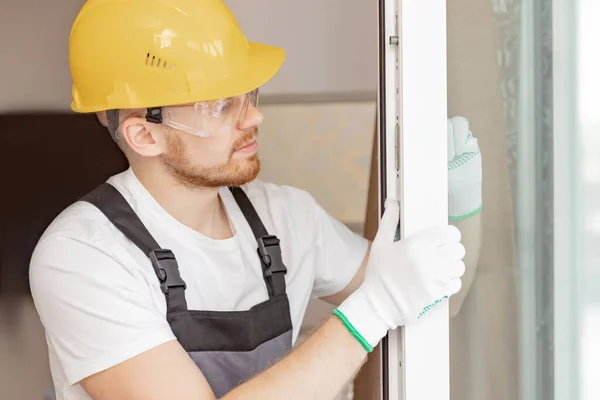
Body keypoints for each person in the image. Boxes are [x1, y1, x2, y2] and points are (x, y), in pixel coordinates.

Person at [29, 1, 480, 399]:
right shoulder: (84, 256)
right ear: (145, 134)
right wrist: (372, 309)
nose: (255, 116)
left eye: (247, 94)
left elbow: (433, 299)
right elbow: (386, 299)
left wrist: (459, 202)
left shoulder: (287, 218)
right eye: (219, 105)